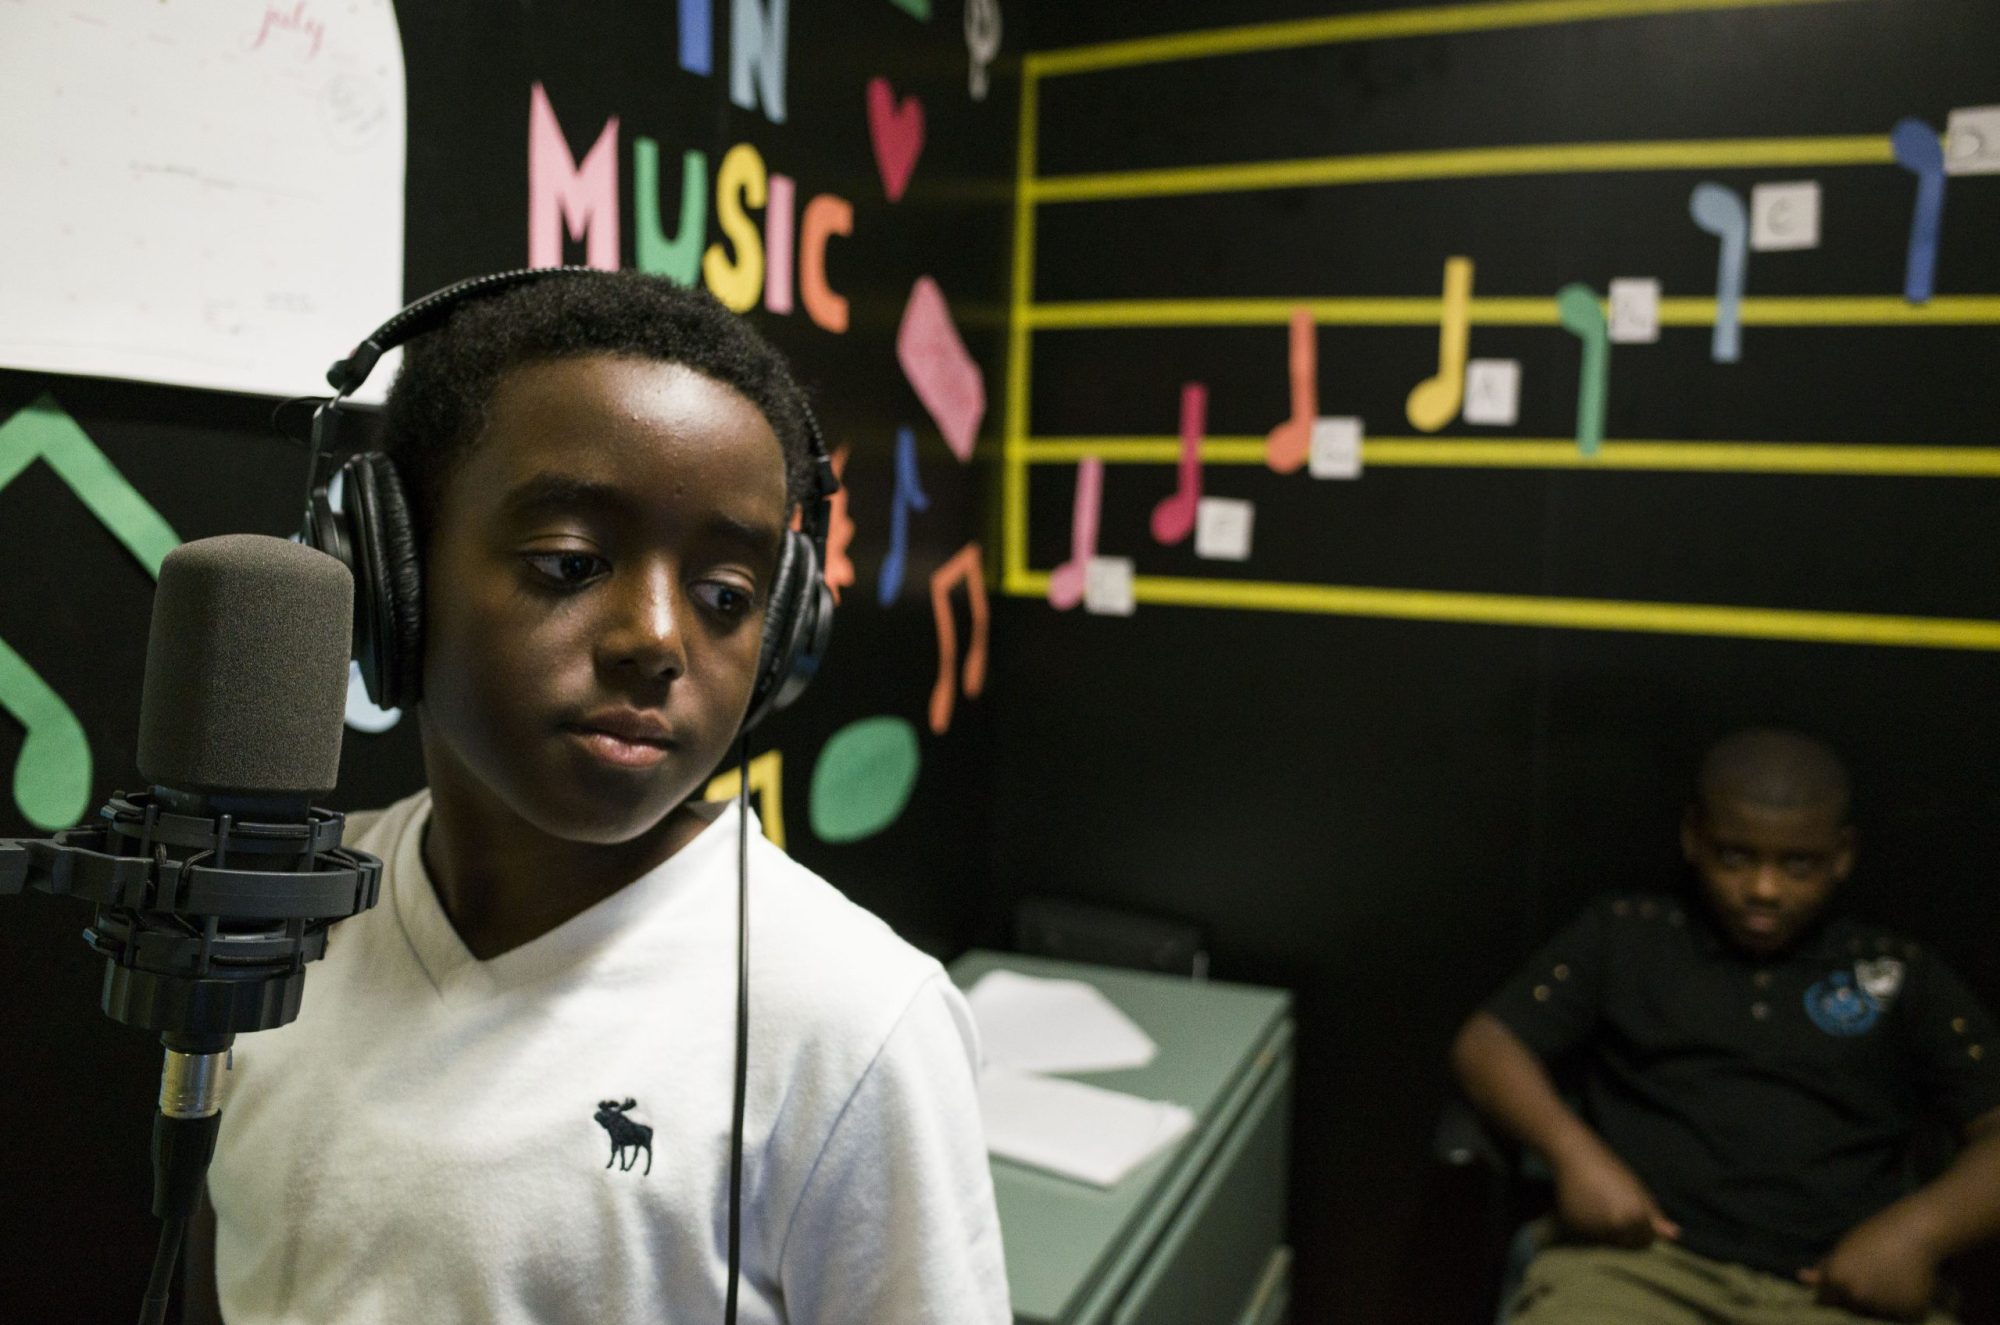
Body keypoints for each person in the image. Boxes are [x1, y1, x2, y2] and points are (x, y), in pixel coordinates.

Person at [184, 271, 1011, 1324]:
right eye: (569, 562)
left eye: (726, 596)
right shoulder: (279, 917)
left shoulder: (854, 1020)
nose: (657, 639)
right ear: (391, 574)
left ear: (782, 642)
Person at [1451, 727, 2000, 1324]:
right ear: (1694, 838)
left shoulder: (1898, 972)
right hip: (1644, 1267)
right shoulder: (1628, 935)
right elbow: (1490, 1043)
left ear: (1842, 854)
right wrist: (1573, 1153)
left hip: (1837, 1287)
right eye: (1736, 857)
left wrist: (1920, 1233)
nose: (1763, 889)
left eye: (1798, 864)